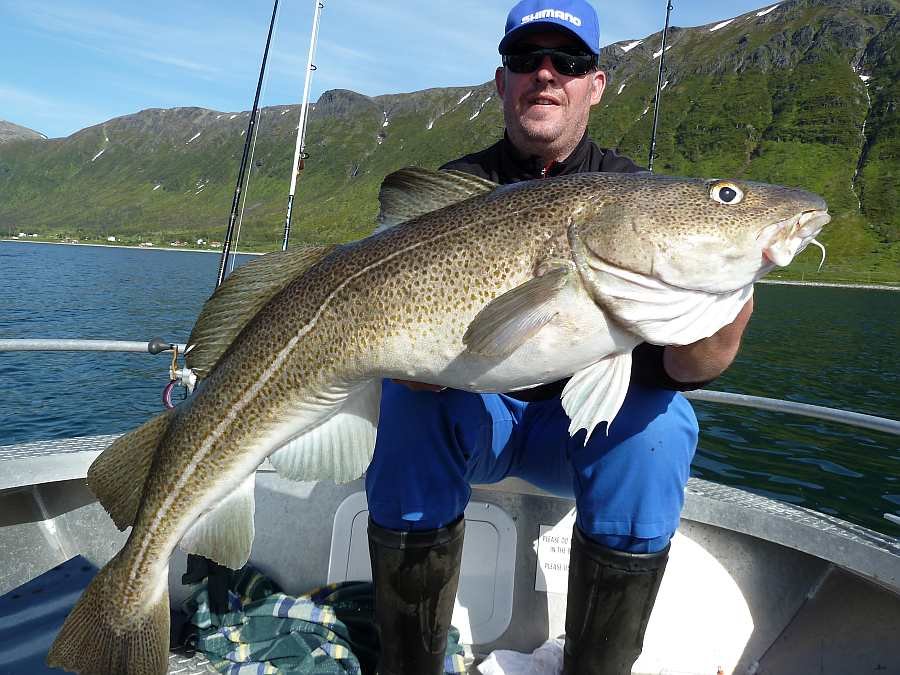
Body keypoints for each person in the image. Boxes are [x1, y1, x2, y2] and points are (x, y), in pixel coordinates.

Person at [364, 1, 754, 673]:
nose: (545, 75)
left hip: (576, 431)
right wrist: (407, 355)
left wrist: (711, 341)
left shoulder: (637, 195)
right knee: (408, 404)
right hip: (477, 413)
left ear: (594, 85)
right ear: (501, 81)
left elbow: (678, 366)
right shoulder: (455, 194)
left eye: (568, 62)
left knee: (660, 428)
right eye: (526, 61)